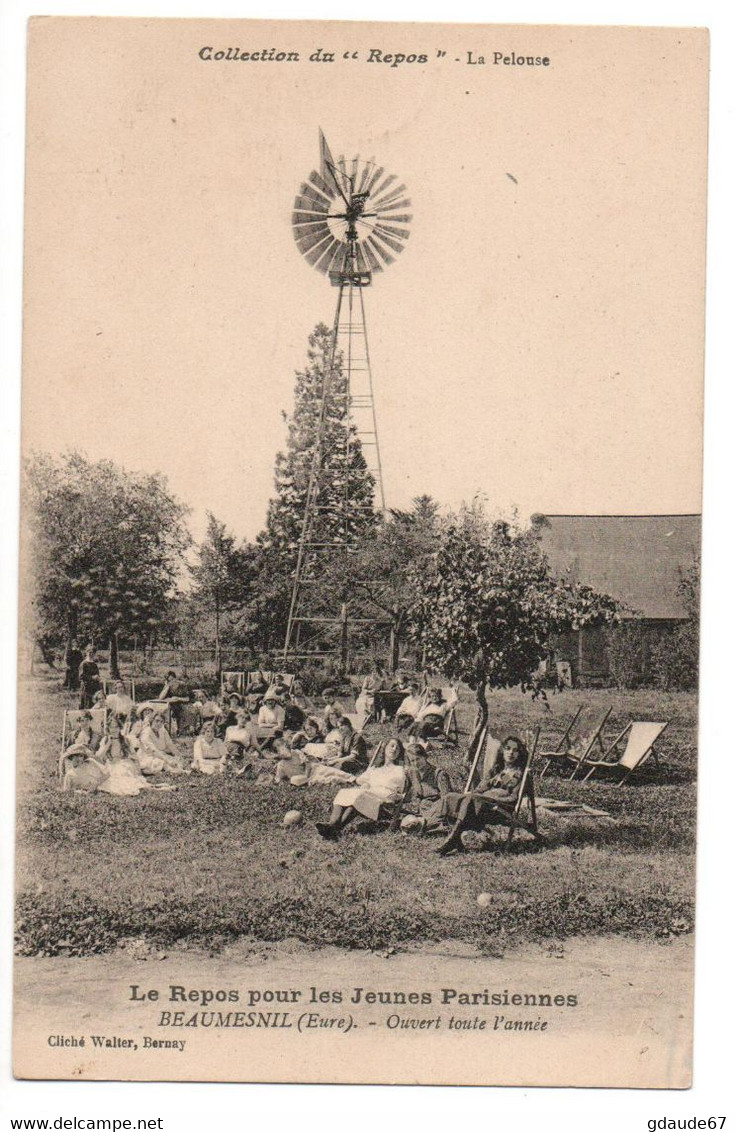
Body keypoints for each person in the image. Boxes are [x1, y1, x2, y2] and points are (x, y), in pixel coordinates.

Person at [435, 736, 527, 855]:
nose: (511, 753)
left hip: (499, 807)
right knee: (450, 797)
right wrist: (484, 788)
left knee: (471, 799)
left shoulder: (521, 775)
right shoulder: (496, 770)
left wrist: (493, 799)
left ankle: (452, 839)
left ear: (520, 754)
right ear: (502, 751)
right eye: (508, 749)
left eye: (515, 750)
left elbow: (514, 797)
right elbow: (479, 789)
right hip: (482, 803)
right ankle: (456, 838)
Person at [315, 737, 406, 840]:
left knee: (359, 795)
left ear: (399, 753)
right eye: (392, 746)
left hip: (384, 799)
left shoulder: (399, 769)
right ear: (384, 748)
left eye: (397, 748)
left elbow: (398, 787)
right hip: (369, 795)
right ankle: (332, 825)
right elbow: (359, 780)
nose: (394, 749)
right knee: (344, 792)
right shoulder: (375, 769)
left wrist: (372, 785)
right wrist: (366, 783)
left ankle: (334, 827)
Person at [402, 741, 452, 832]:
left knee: (436, 820)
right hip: (420, 807)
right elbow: (404, 793)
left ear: (425, 757)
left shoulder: (439, 774)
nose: (416, 763)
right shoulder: (410, 772)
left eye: (418, 759)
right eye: (412, 761)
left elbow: (447, 797)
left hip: (437, 806)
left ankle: (426, 825)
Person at [97, 715, 152, 796]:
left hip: (125, 763)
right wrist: (107, 745)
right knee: (113, 780)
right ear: (108, 728)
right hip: (112, 764)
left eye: (116, 727)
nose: (114, 730)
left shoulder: (125, 740)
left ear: (120, 728)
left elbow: (135, 757)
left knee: (124, 775)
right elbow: (99, 756)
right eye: (111, 727)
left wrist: (138, 771)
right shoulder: (105, 740)